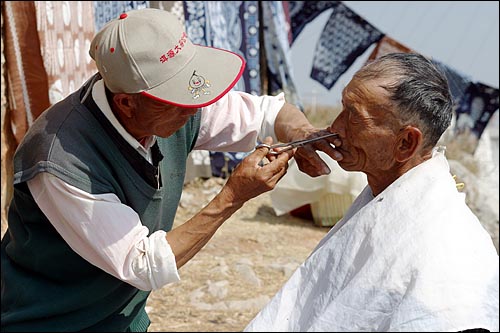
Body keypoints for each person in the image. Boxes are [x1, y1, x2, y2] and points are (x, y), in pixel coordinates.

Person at [0, 8, 343, 332]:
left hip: (117, 316)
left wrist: (300, 134)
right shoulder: (60, 159)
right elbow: (144, 265)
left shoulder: (169, 108)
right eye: (179, 101)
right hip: (47, 319)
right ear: (126, 103)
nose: (194, 108)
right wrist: (232, 196)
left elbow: (269, 113)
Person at [244, 53, 499, 332]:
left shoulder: (447, 250)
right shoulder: (386, 196)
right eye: (342, 108)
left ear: (405, 143)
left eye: (353, 117)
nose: (335, 127)